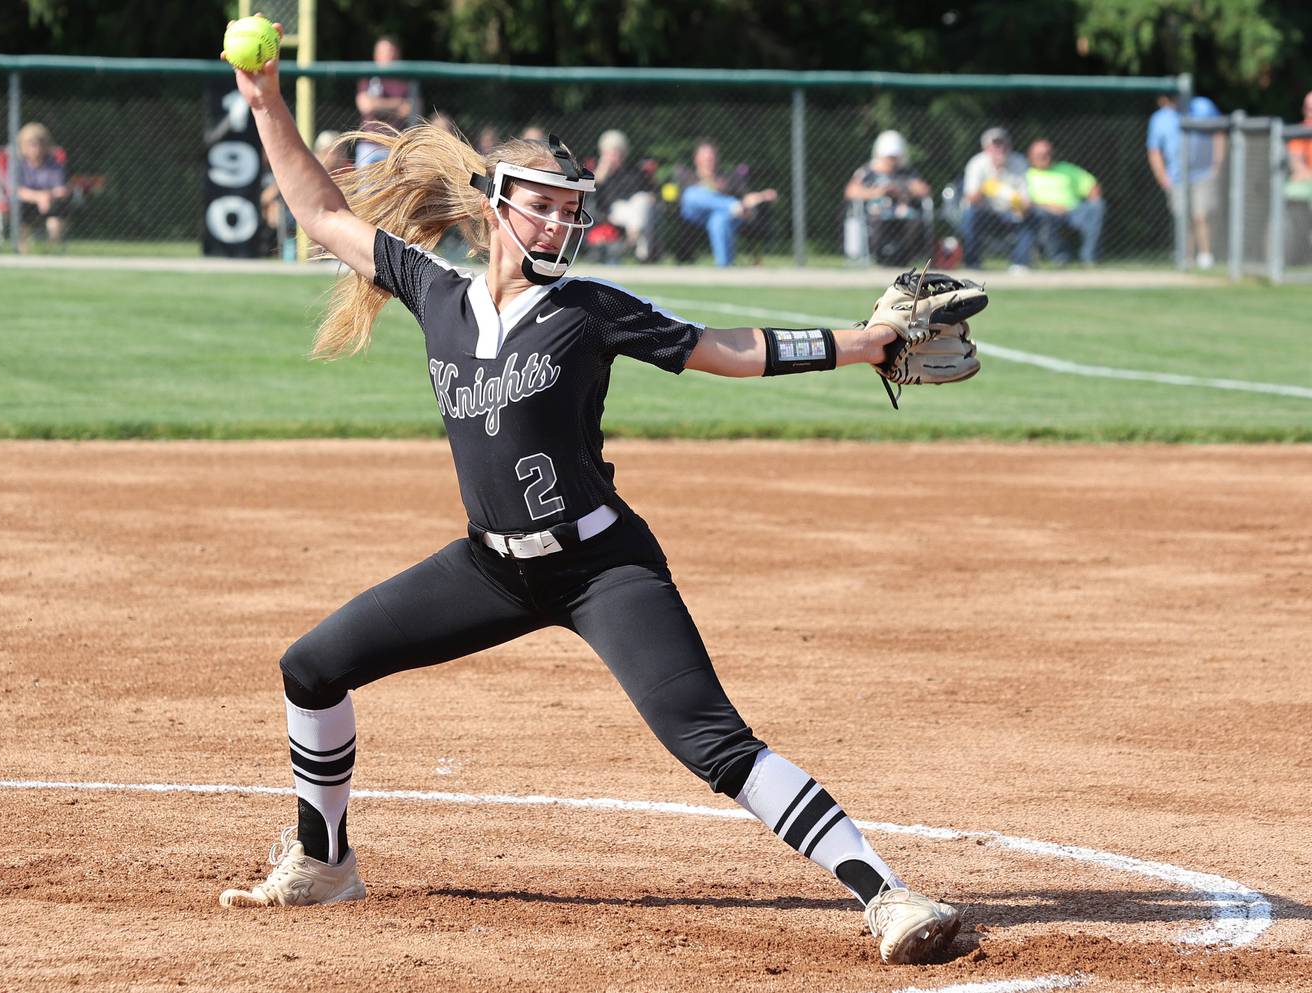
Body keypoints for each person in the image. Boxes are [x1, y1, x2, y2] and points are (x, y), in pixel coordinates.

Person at [217, 31, 962, 968]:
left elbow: (720, 349)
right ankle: (325, 862)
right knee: (312, 666)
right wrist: (263, 99)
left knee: (713, 743)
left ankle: (887, 894)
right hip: (491, 568)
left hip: (603, 567)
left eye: (572, 212)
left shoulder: (592, 310)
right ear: (495, 208)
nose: (563, 227)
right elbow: (320, 209)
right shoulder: (435, 291)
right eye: (544, 209)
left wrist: (860, 342)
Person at [1146, 92, 1224, 270]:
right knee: (1183, 216)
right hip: (1176, 176)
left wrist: (1217, 164)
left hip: (1203, 173)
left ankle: (1205, 255)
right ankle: (1185, 257)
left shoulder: (1203, 106)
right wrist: (1162, 176)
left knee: (1200, 214)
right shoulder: (1159, 119)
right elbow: (1154, 150)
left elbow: (1218, 132)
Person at [678, 140, 778, 267]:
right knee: (691, 194)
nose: (708, 161)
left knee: (718, 220)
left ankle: (724, 268)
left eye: (711, 157)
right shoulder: (688, 175)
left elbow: (745, 199)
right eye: (705, 158)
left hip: (723, 216)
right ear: (696, 159)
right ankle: (731, 205)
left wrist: (762, 195)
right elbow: (685, 199)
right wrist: (712, 189)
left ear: (716, 158)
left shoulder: (728, 177)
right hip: (694, 216)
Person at [843, 130, 932, 266]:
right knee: (877, 222)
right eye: (888, 157)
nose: (891, 161)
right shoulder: (867, 171)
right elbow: (851, 191)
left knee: (915, 221)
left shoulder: (906, 172)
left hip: (902, 213)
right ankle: (878, 255)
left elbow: (924, 189)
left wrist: (901, 189)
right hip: (876, 213)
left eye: (894, 157)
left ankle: (906, 256)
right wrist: (877, 192)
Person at [959, 126, 1034, 273]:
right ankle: (972, 263)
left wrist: (1020, 205)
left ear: (1009, 146)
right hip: (984, 211)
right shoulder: (977, 163)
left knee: (1031, 216)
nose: (1000, 149)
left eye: (1003, 145)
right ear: (986, 148)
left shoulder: (1019, 162)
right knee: (970, 215)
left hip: (1010, 211)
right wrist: (987, 188)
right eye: (995, 145)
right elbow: (971, 198)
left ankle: (1020, 263)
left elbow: (1026, 199)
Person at [1025, 139, 1104, 265]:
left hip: (1074, 211)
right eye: (1040, 155)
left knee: (1097, 206)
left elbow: (1092, 185)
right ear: (1030, 157)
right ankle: (1059, 258)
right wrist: (1049, 207)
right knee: (1042, 215)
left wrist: (1093, 199)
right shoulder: (1025, 174)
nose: (1045, 157)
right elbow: (1024, 202)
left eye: (1048, 153)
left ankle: (1090, 258)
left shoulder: (1066, 168)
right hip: (1045, 212)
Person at [589, 129, 656, 262]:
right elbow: (591, 195)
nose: (615, 156)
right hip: (611, 212)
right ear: (603, 154)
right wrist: (602, 172)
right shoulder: (597, 174)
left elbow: (651, 192)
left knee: (641, 200)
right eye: (610, 153)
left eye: (618, 152)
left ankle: (633, 237)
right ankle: (641, 251)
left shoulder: (634, 171)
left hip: (636, 209)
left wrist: (650, 197)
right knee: (634, 209)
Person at [354, 36, 421, 167]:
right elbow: (365, 106)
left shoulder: (406, 81)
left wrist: (377, 104)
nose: (388, 56)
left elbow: (410, 110)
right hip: (370, 146)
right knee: (366, 187)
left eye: (391, 51)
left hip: (397, 147)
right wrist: (396, 105)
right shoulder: (369, 77)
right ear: (376, 55)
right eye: (383, 52)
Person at [11, 122, 71, 251]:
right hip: (27, 205)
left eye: (40, 143)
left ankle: (51, 249)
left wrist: (47, 197)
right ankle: (23, 250)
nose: (36, 147)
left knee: (59, 210)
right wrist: (39, 197)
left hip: (50, 204)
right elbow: (16, 191)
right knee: (18, 207)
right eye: (32, 143)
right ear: (23, 145)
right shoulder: (18, 165)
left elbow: (61, 190)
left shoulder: (54, 164)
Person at [1284, 91, 1312, 266]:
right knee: (1290, 187)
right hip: (1306, 183)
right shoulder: (1300, 132)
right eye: (1307, 108)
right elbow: (1295, 163)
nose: (1309, 112)